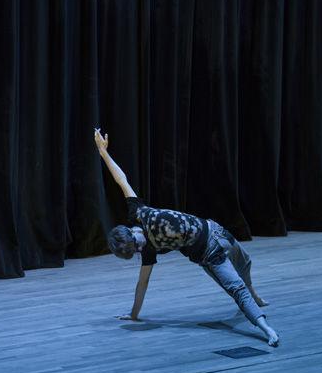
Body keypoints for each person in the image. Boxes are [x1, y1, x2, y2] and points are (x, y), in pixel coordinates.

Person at [94, 128, 279, 347]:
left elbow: (121, 179)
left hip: (215, 229)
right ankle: (267, 330)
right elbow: (142, 284)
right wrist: (134, 314)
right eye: (135, 250)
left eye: (135, 244)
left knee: (245, 263)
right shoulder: (148, 251)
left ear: (131, 231)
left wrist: (103, 152)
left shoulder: (137, 212)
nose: (139, 247)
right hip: (210, 255)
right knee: (236, 288)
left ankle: (255, 295)